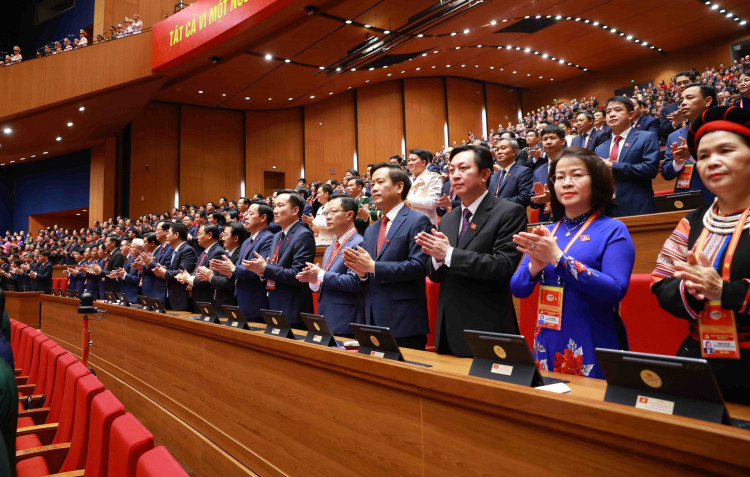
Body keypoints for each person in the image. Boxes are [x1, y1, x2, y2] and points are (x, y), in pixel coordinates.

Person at [651, 106, 750, 404]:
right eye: (704, 156)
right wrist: (691, 289)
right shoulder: (692, 221)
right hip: (701, 357)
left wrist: (724, 290)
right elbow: (661, 280)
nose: (712, 161)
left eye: (726, 150)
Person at [510, 146, 635, 378]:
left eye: (576, 175)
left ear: (596, 180)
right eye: (559, 177)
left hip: (593, 337)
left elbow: (615, 290)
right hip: (548, 337)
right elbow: (518, 288)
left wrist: (558, 259)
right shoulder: (546, 231)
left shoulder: (613, 229)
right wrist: (535, 266)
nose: (566, 183)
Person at [416, 145, 527, 356]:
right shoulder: (448, 218)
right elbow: (436, 276)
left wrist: (448, 254)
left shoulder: (509, 212)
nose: (455, 175)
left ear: (485, 174)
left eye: (463, 168)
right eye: (451, 170)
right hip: (448, 329)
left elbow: (503, 266)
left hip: (486, 326)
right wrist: (437, 258)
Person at [343, 163, 432, 350]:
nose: (373, 188)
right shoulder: (371, 229)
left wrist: (373, 267)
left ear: (399, 187)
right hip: (373, 318)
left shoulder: (417, 220)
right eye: (372, 183)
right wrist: (362, 273)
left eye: (380, 182)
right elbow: (368, 274)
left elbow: (419, 267)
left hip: (404, 321)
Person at [244, 190, 316, 326]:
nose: (275, 211)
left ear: (295, 210)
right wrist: (261, 271)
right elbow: (273, 268)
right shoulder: (277, 235)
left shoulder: (303, 235)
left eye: (280, 206)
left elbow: (298, 274)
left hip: (292, 308)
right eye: (274, 206)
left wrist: (265, 269)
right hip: (274, 303)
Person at [297, 195, 364, 336]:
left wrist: (321, 274)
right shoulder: (330, 248)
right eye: (326, 213)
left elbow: (354, 282)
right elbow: (327, 280)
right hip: (327, 316)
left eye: (333, 212)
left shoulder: (359, 243)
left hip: (346, 318)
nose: (328, 217)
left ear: (349, 215)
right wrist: (314, 280)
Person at [594, 96, 660, 217]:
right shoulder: (600, 148)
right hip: (607, 211)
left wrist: (613, 166)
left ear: (631, 114)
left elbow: (650, 169)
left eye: (618, 110)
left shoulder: (646, 137)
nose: (612, 114)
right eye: (608, 112)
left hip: (637, 207)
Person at [212, 201, 274, 322]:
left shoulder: (269, 238)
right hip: (239, 299)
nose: (246, 217)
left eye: (251, 214)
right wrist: (228, 271)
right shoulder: (246, 242)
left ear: (263, 218)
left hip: (255, 300)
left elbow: (258, 269)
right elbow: (238, 269)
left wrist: (233, 269)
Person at [660, 83, 717, 204]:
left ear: (708, 101)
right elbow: (666, 173)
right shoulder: (674, 136)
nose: (683, 103)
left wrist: (692, 156)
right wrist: (677, 163)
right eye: (682, 100)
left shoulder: (723, 128)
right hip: (685, 198)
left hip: (718, 196)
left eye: (689, 98)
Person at [152, 223, 197, 311]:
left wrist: (165, 272)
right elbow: (174, 269)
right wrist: (164, 269)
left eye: (168, 233)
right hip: (172, 295)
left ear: (176, 235)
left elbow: (183, 272)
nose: (166, 235)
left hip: (182, 296)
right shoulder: (176, 250)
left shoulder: (187, 250)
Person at [487, 137, 533, 207]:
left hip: (513, 213)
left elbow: (524, 198)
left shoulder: (524, 172)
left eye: (503, 148)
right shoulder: (493, 176)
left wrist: (498, 203)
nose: (499, 152)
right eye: (497, 149)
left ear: (514, 152)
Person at [405, 148, 442, 225]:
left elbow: (433, 202)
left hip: (424, 223)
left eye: (413, 160)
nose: (410, 163)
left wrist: (406, 199)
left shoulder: (433, 177)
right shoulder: (409, 179)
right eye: (409, 160)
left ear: (423, 162)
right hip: (408, 222)